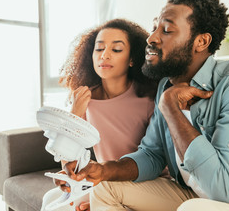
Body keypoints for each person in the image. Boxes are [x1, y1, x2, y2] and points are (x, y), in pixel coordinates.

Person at [63, 0, 229, 211]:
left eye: (167, 30)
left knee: (192, 208)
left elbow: (223, 188)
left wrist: (171, 109)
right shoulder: (166, 86)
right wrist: (103, 170)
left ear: (201, 41)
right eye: (154, 28)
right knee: (105, 190)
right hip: (190, 195)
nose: (151, 38)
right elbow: (151, 155)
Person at [41, 19, 158, 211]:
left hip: (144, 182)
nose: (105, 55)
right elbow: (69, 160)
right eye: (99, 49)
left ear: (132, 59)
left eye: (116, 50)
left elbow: (154, 158)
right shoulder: (85, 99)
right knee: (50, 199)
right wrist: (76, 112)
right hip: (105, 179)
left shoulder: (147, 100)